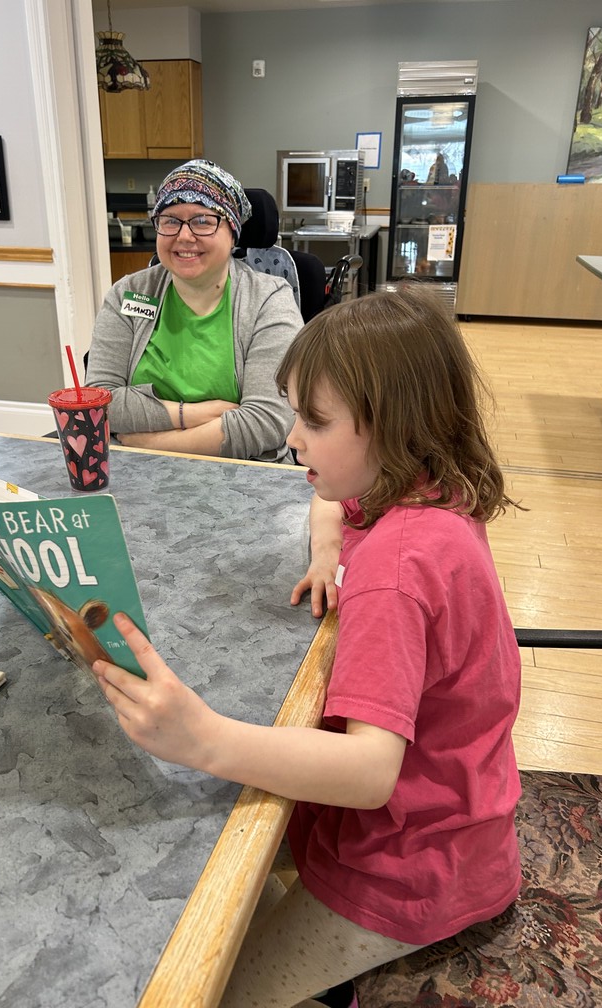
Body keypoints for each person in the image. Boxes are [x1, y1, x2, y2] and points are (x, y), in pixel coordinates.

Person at [92, 285, 523, 1008]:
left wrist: (203, 738)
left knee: (211, 989)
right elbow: (332, 504)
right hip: (457, 821)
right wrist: (328, 552)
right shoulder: (423, 491)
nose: (292, 437)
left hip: (411, 868)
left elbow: (369, 773)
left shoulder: (394, 570)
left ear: (393, 427)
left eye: (313, 421)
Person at [85, 159, 303, 463]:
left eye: (203, 221)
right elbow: (98, 404)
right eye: (170, 220)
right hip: (136, 471)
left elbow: (265, 424)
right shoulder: (128, 293)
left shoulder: (269, 300)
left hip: (246, 473)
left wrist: (151, 443)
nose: (184, 236)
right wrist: (192, 413)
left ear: (232, 232)